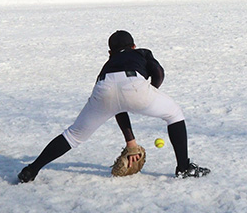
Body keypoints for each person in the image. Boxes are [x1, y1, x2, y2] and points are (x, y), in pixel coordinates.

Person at [17, 30, 209, 183]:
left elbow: (117, 104)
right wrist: (150, 92)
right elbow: (158, 72)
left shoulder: (108, 64)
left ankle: (32, 169)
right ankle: (183, 168)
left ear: (110, 53)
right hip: (135, 84)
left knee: (73, 135)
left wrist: (131, 142)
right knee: (174, 113)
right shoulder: (141, 52)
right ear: (133, 46)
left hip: (103, 85)